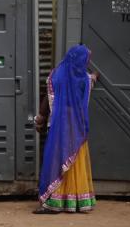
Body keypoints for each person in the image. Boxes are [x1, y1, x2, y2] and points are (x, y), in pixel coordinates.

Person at [33, 44, 98, 214]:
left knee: (57, 161)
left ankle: (55, 202)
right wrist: (95, 76)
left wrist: (40, 118)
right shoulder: (84, 78)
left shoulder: (56, 75)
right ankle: (77, 202)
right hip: (76, 130)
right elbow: (90, 82)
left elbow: (47, 100)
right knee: (74, 163)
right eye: (86, 60)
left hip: (58, 129)